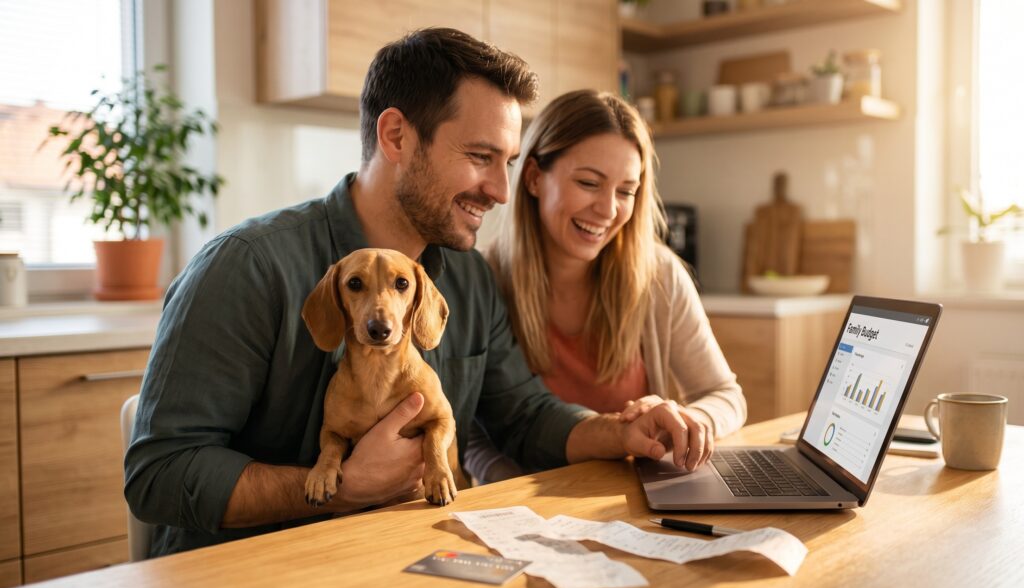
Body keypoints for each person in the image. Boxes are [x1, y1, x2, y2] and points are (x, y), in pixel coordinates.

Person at [125, 28, 705, 557]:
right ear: (397, 135)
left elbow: (524, 417)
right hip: (250, 575)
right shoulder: (247, 268)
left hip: (403, 559)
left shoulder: (469, 279)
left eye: (506, 162)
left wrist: (617, 429)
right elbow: (160, 475)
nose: (501, 192)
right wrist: (338, 489)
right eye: (480, 157)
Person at [465, 90, 746, 484]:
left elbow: (726, 395)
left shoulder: (659, 275)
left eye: (626, 191)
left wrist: (691, 420)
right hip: (527, 506)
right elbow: (474, 434)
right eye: (589, 183)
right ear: (532, 178)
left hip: (639, 501)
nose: (609, 210)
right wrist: (517, 494)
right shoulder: (483, 279)